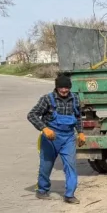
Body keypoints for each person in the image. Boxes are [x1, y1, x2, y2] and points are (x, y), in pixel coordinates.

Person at [27, 73, 86, 203]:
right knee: (46, 165)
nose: (64, 90)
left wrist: (80, 132)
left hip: (68, 138)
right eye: (61, 88)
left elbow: (77, 117)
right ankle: (42, 190)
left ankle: (70, 195)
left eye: (67, 88)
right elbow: (32, 115)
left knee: (71, 165)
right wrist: (44, 128)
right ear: (56, 87)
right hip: (50, 138)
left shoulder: (75, 99)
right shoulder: (47, 99)